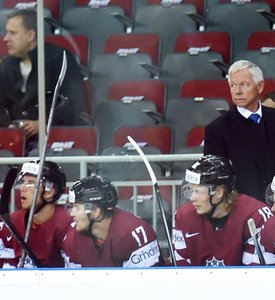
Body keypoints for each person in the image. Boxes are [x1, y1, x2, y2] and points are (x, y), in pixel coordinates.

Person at [204, 60, 275, 202]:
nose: (237, 91)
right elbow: (217, 177)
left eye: (244, 85)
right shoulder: (217, 129)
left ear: (260, 86)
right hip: (241, 210)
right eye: (233, 85)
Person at [0, 9, 87, 154]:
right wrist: (8, 126)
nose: (5, 39)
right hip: (15, 139)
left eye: (13, 33)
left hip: (54, 136)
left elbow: (74, 100)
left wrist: (44, 123)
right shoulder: (5, 65)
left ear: (30, 35)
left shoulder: (59, 57)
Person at [172, 155, 271, 266]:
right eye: (190, 190)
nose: (192, 198)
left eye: (198, 192)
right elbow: (181, 270)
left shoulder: (256, 215)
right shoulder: (183, 216)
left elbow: (254, 272)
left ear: (219, 192)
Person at [62, 175, 164, 267]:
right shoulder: (72, 237)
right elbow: (75, 284)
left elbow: (145, 284)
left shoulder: (135, 234)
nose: (72, 214)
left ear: (95, 211)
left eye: (77, 207)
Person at [0, 160, 71, 268]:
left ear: (50, 192)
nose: (22, 188)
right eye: (23, 182)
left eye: (31, 183)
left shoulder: (67, 226)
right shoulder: (9, 223)